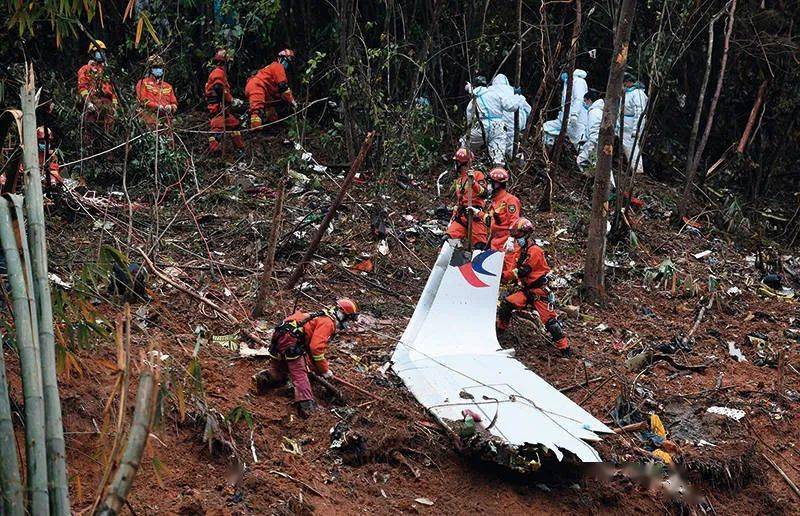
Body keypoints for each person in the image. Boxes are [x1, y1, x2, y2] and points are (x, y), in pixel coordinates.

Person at [259, 298, 359, 417]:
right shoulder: (328, 322)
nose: (347, 323)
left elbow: (310, 349)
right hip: (291, 340)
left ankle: (262, 379)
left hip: (281, 335)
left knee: (280, 368)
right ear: (342, 315)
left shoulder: (319, 316)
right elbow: (316, 349)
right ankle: (307, 410)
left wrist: (316, 368)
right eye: (348, 319)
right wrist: (325, 370)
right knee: (300, 373)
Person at [497, 218, 571, 356]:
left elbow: (523, 271)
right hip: (526, 291)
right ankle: (500, 331)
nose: (516, 238)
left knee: (550, 323)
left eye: (518, 235)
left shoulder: (535, 251)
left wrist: (502, 276)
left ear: (526, 234)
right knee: (507, 304)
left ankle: (565, 349)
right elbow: (513, 266)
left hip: (539, 292)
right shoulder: (522, 249)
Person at [463, 75, 526, 166]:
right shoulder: (495, 94)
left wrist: (470, 129)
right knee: (498, 158)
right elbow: (510, 106)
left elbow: (469, 117)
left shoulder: (474, 98)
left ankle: (462, 169)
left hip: (482, 126)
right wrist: (517, 96)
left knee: (464, 145)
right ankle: (502, 175)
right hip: (499, 127)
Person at [446, 148, 488, 249]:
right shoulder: (459, 180)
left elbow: (484, 194)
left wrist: (473, 183)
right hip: (461, 216)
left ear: (461, 163)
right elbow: (460, 200)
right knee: (449, 239)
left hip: (475, 215)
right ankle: (452, 263)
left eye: (456, 162)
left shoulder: (477, 175)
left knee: (480, 246)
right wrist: (454, 215)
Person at [204, 49, 245, 155]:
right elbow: (218, 87)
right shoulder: (218, 72)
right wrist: (231, 100)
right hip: (217, 106)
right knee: (217, 129)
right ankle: (214, 152)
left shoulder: (219, 73)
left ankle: (240, 149)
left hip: (223, 108)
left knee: (233, 125)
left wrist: (232, 100)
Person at [245, 49, 297, 130]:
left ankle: (271, 127)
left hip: (264, 89)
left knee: (270, 108)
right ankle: (256, 132)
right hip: (257, 86)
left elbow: (278, 89)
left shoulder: (275, 69)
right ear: (280, 59)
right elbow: (283, 86)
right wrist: (292, 100)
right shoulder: (277, 66)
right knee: (256, 110)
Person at [77, 40, 117, 143]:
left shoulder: (107, 71)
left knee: (108, 134)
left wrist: (115, 106)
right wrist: (88, 103)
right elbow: (83, 88)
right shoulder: (85, 69)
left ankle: (108, 157)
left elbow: (113, 90)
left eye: (102, 51)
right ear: (92, 53)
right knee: (90, 133)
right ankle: (89, 156)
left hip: (107, 106)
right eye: (98, 51)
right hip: (94, 104)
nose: (101, 53)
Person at [542, 69, 589, 148]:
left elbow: (579, 99)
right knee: (547, 127)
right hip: (566, 118)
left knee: (581, 143)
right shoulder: (567, 82)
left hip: (577, 119)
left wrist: (574, 115)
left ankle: (591, 159)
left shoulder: (578, 81)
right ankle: (547, 149)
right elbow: (565, 104)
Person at [491, 74, 532, 161]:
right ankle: (518, 164)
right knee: (512, 144)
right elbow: (528, 109)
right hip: (517, 121)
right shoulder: (512, 90)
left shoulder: (490, 91)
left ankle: (502, 162)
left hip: (499, 121)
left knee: (499, 142)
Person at [135, 55, 178, 131]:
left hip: (166, 122)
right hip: (149, 121)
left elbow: (174, 103)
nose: (158, 69)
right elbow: (142, 100)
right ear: (150, 69)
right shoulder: (143, 83)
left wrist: (171, 107)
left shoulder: (168, 86)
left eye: (160, 67)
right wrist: (156, 106)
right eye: (155, 67)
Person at [486, 167, 521, 252]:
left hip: (506, 245)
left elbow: (514, 221)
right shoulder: (494, 201)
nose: (488, 185)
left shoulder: (510, 200)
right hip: (495, 244)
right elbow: (492, 222)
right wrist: (478, 213)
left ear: (497, 184)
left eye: (490, 183)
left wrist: (511, 239)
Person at [621, 72, 648, 174]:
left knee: (632, 146)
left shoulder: (638, 93)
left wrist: (636, 129)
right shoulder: (627, 92)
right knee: (626, 146)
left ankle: (638, 169)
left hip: (632, 124)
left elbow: (640, 113)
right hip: (625, 124)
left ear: (628, 82)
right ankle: (632, 168)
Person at [577, 89, 604, 172]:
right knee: (602, 165)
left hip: (595, 143)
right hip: (598, 142)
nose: (584, 103)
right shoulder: (599, 111)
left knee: (583, 160)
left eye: (585, 101)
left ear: (589, 100)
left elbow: (595, 128)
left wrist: (592, 144)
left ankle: (593, 179)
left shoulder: (594, 112)